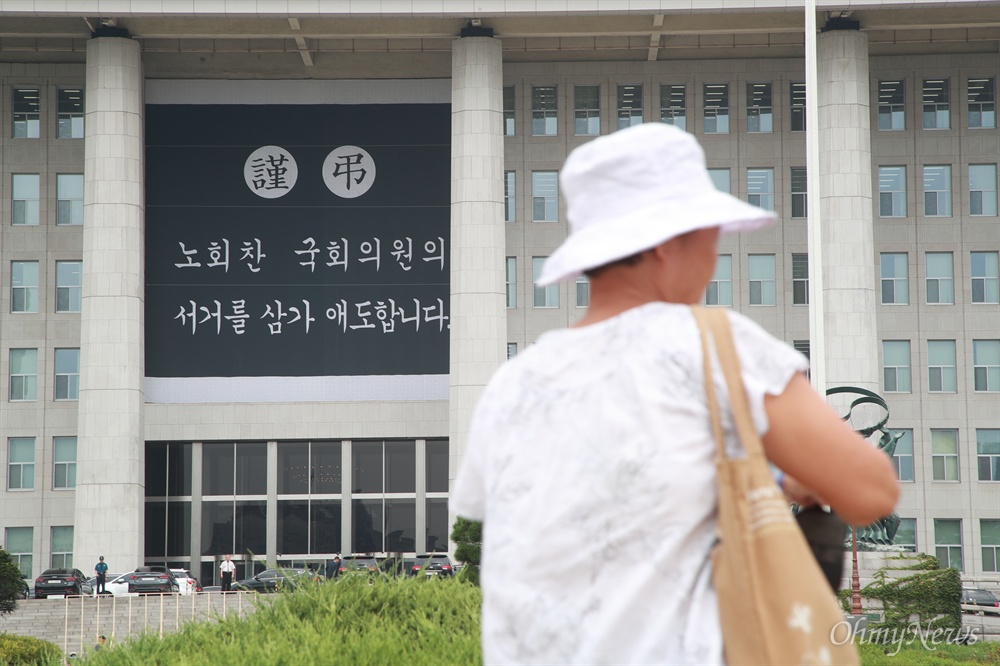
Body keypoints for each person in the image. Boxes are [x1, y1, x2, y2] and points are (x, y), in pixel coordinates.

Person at [450, 123, 899, 665]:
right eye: (707, 232)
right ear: (666, 243)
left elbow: (523, 506)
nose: (715, 250)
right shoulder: (713, 346)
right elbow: (871, 491)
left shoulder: (514, 383)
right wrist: (783, 477)